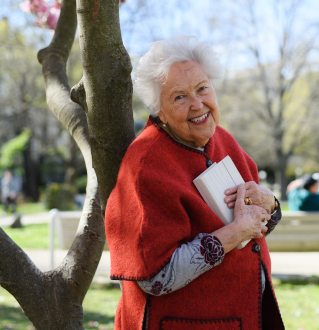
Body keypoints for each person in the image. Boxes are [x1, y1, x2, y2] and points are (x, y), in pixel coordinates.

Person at [105, 36, 284, 330]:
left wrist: (270, 206)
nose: (197, 104)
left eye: (202, 88)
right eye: (179, 96)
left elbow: (256, 227)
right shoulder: (146, 165)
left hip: (244, 315)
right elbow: (155, 277)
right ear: (158, 110)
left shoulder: (223, 139)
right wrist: (232, 233)